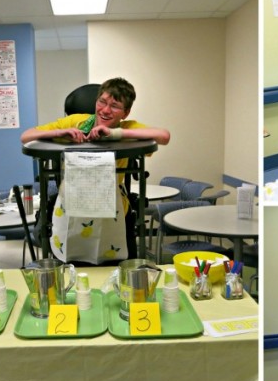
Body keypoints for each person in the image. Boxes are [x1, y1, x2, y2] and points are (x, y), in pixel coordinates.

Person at [21, 77, 170, 264]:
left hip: (114, 211)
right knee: (73, 270)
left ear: (125, 113)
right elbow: (26, 136)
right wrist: (59, 134)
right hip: (72, 211)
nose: (106, 110)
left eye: (115, 106)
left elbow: (163, 136)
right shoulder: (76, 122)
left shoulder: (127, 127)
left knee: (117, 268)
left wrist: (115, 134)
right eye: (102, 102)